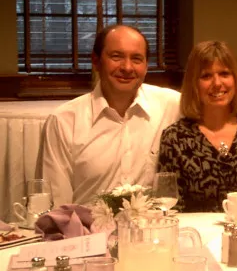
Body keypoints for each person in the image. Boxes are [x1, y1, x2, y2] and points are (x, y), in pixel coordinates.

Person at [41, 24, 181, 207]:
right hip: (87, 232)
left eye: (137, 59)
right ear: (96, 61)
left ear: (146, 66)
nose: (127, 67)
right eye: (116, 56)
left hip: (152, 230)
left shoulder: (172, 105)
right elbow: (57, 205)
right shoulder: (64, 121)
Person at [157, 41, 237, 212]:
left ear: (235, 79)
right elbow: (171, 209)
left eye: (224, 73)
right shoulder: (175, 138)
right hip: (197, 235)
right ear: (193, 84)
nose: (217, 83)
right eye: (206, 76)